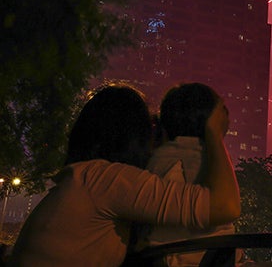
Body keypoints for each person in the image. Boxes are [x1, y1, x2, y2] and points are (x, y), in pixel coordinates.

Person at [9, 84, 240, 267]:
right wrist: (213, 133)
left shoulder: (86, 180)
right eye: (150, 128)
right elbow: (225, 207)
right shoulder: (107, 180)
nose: (157, 136)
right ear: (131, 136)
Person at [141, 83, 237, 266]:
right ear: (212, 119)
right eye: (222, 108)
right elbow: (227, 210)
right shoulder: (209, 159)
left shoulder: (155, 159)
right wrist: (215, 137)